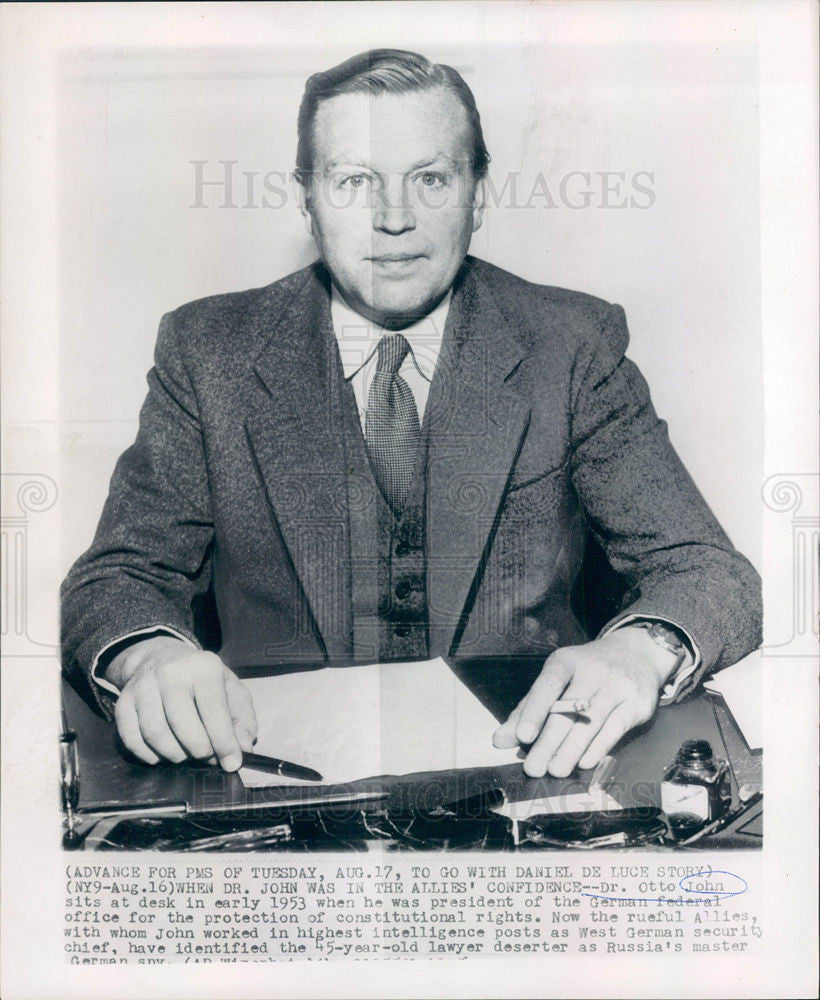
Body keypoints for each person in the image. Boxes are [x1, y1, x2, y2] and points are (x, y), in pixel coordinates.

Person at [61, 48, 761, 781]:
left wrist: (640, 648)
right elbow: (116, 576)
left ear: (477, 193)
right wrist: (153, 656)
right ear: (307, 197)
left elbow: (711, 572)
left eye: (430, 178)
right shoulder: (209, 352)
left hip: (529, 774)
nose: (394, 218)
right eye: (355, 180)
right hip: (273, 786)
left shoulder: (572, 344)